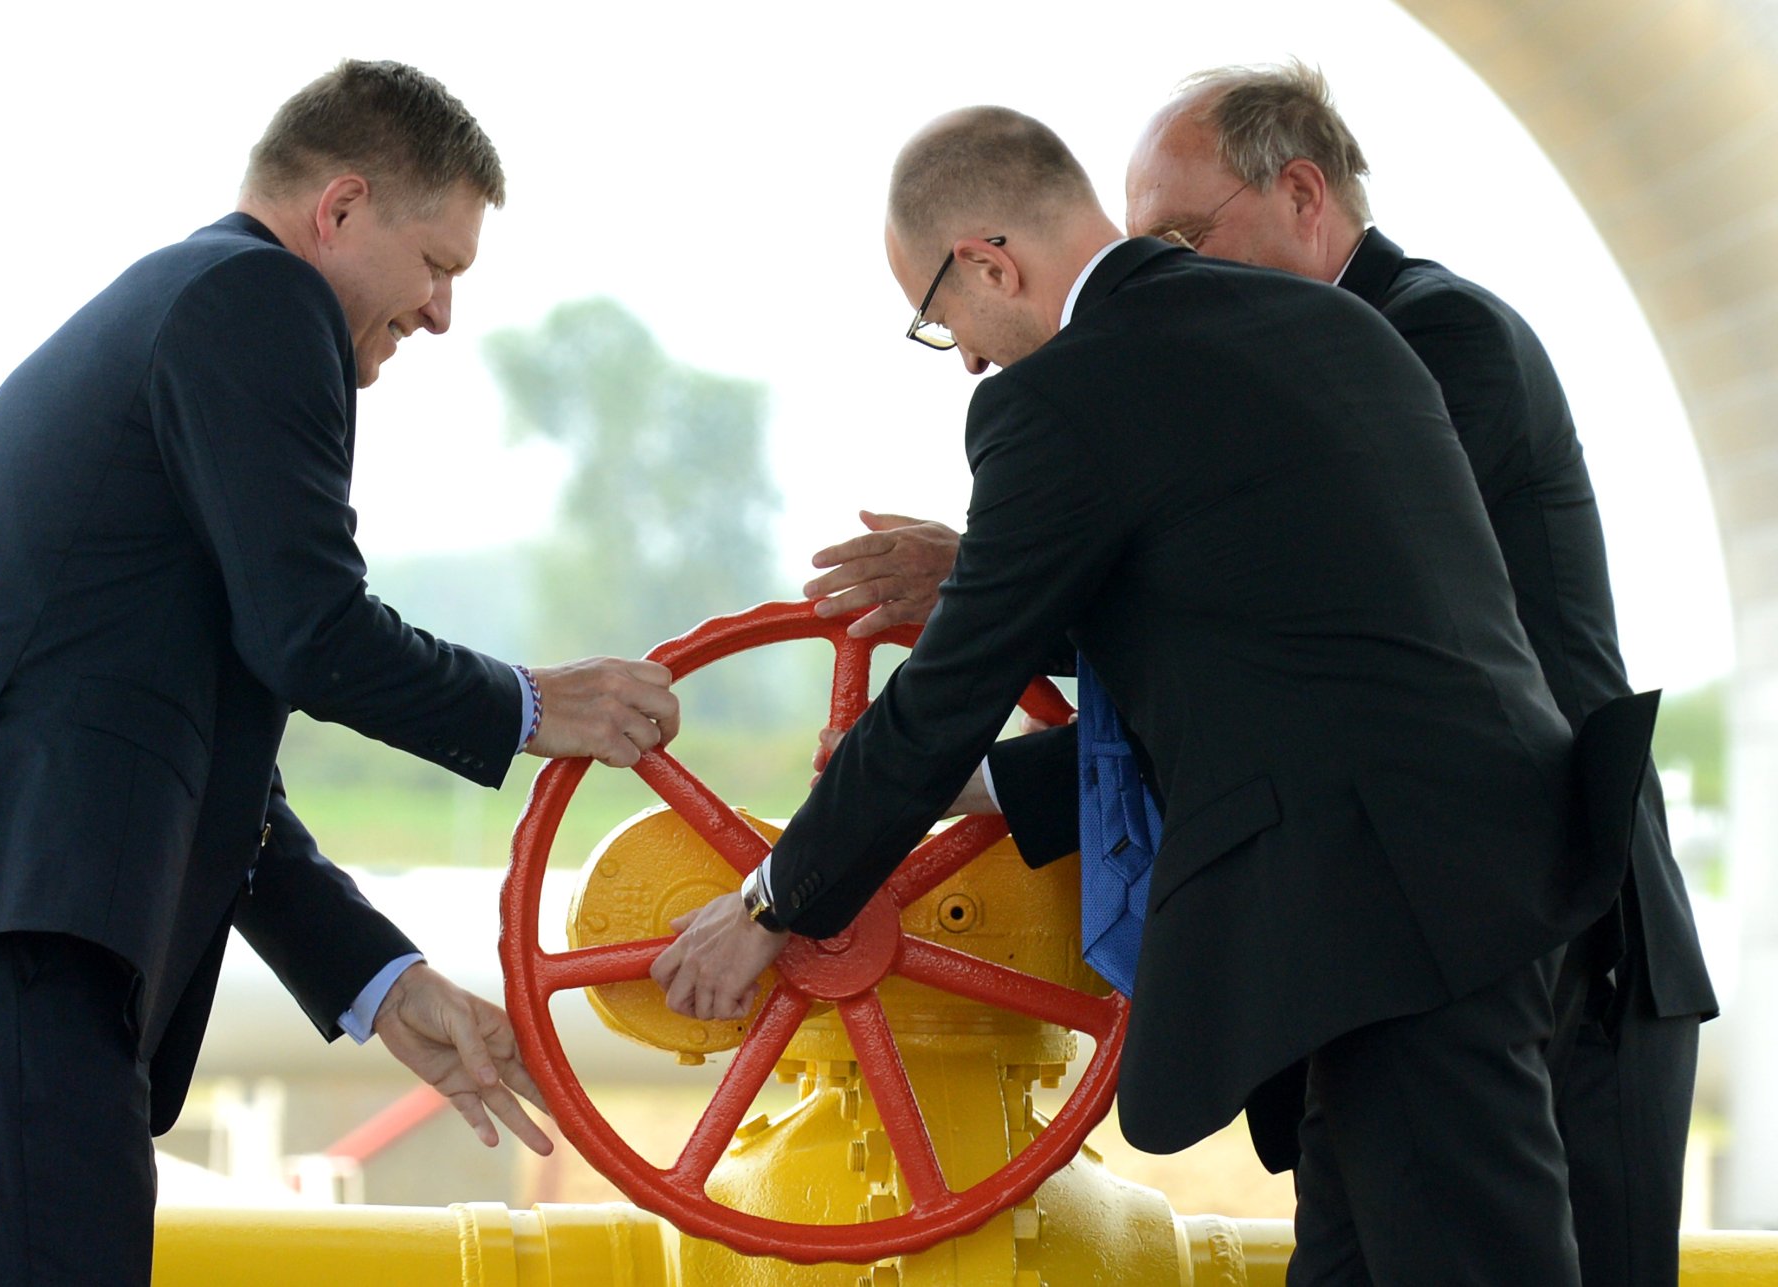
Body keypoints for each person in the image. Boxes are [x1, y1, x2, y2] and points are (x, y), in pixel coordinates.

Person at [653, 105, 1628, 1284]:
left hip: (1384, 906)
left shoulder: (1056, 399)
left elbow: (946, 697)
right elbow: (1275, 620)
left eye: (939, 320)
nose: (965, 359)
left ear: (989, 261)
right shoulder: (1329, 325)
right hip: (1477, 870)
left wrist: (770, 902)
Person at [0, 59, 678, 1285]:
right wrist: (529, 705)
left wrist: (383, 983)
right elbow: (314, 634)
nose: (442, 315)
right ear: (340, 209)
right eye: (436, 265)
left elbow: (214, 760)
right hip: (11, 924)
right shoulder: (258, 298)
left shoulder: (184, 307)